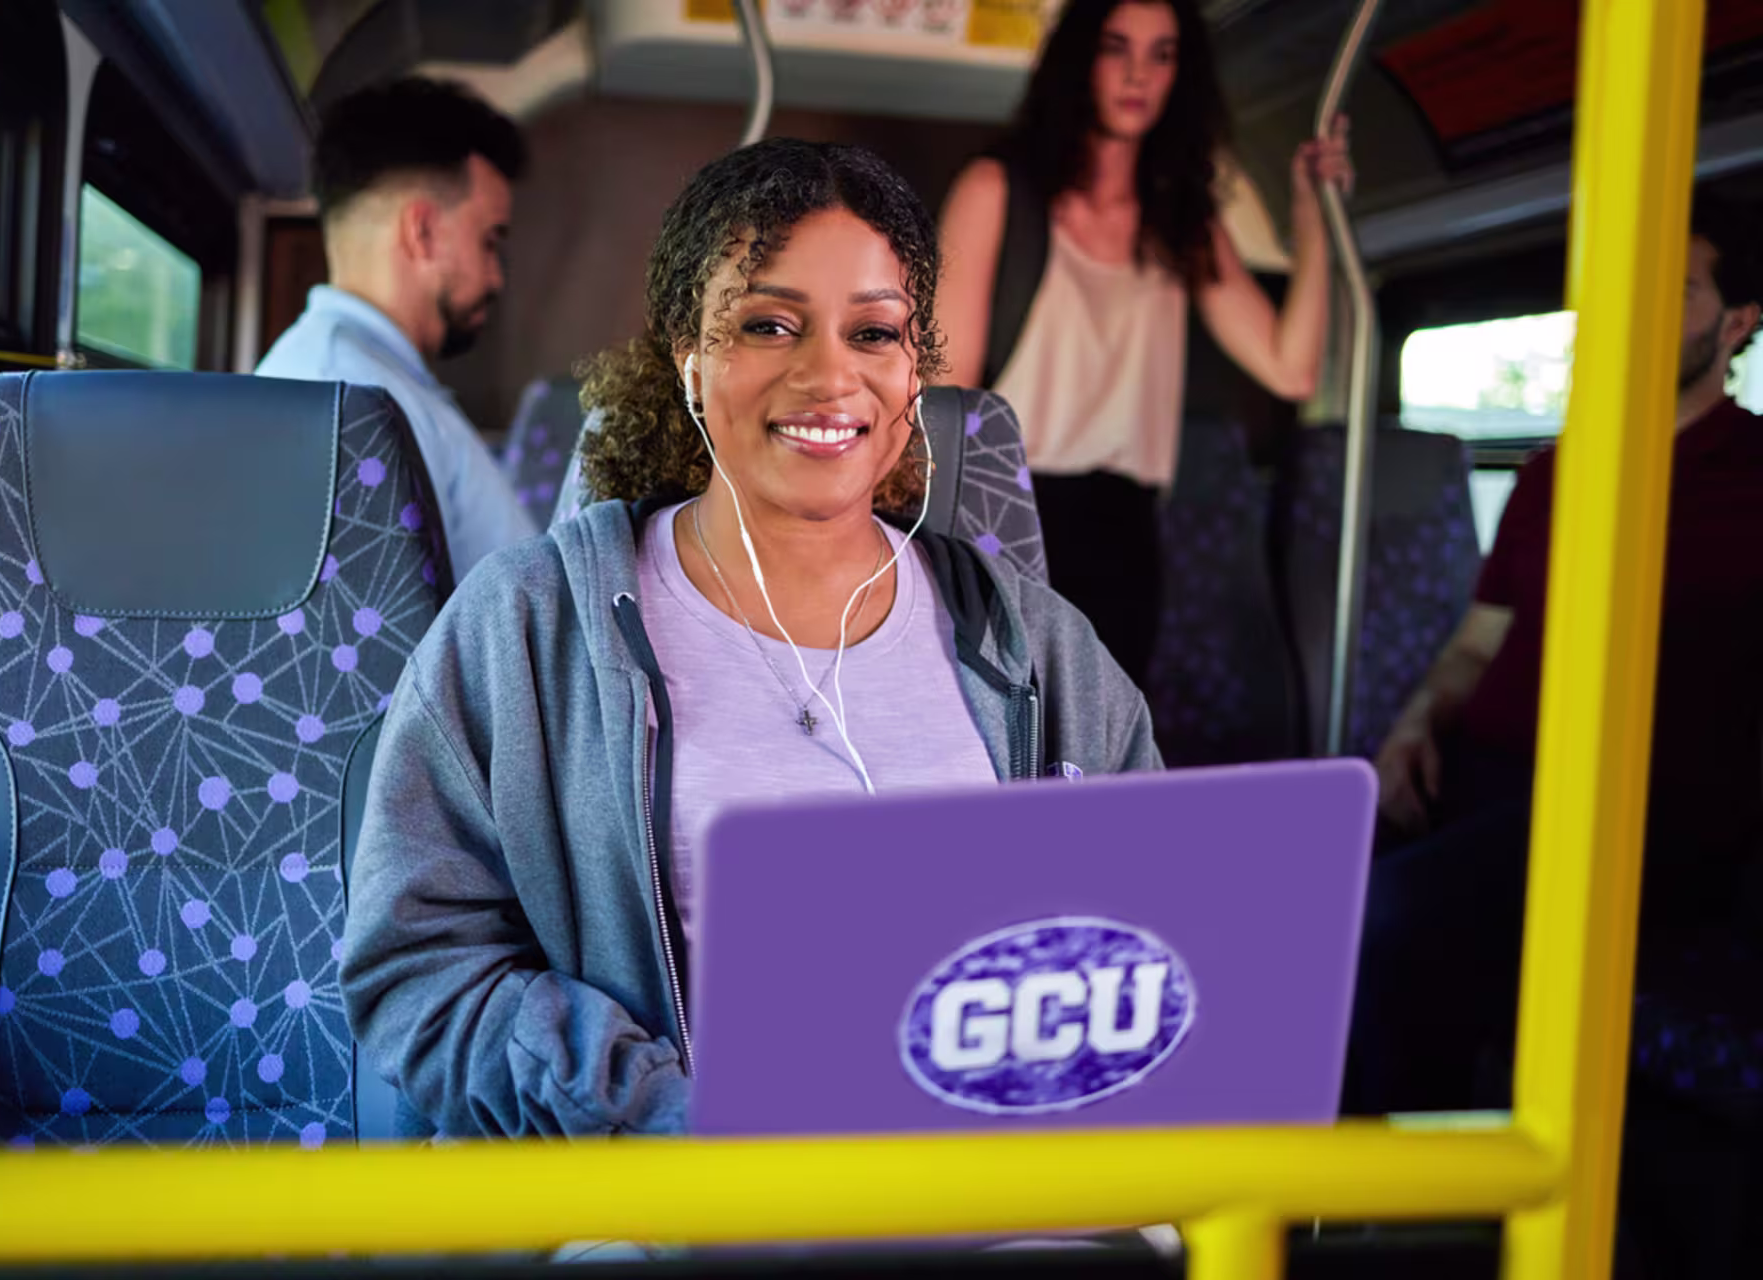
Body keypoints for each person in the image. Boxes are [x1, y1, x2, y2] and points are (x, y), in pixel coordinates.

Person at [339, 138, 1162, 1138]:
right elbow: (421, 962)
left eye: (875, 333)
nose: (830, 377)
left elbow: (1144, 956)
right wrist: (668, 1119)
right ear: (688, 356)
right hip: (676, 1204)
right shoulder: (527, 625)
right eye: (769, 324)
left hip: (1001, 1195)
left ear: (915, 374)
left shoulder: (1042, 647)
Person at [1349, 195, 1763, 1120]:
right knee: (1287, 895)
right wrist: (1414, 728)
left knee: (1397, 919)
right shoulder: (1554, 472)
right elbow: (1477, 643)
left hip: (1641, 813)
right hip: (1485, 779)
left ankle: (1410, 1210)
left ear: (1738, 323)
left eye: (1681, 290)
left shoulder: (1751, 474)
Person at [936, 0, 1350, 679]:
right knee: (1006, 754)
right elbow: (944, 401)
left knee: (1102, 763)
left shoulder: (1180, 219)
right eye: (1116, 48)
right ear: (1079, 63)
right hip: (1006, 518)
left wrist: (1312, 213)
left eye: (1162, 55)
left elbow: (1291, 370)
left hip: (1128, 532)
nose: (1138, 75)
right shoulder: (997, 191)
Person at [256, 77, 537, 580]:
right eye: (489, 241)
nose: (496, 277)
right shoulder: (349, 400)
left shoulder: (360, 377)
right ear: (423, 232)